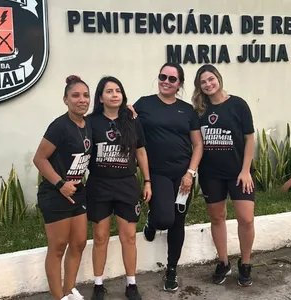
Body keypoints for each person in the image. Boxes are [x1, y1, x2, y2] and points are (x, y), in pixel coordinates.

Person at [133, 62, 203, 292]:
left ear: (179, 84)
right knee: (165, 219)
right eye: (163, 76)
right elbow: (124, 116)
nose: (166, 81)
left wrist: (190, 174)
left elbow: (198, 144)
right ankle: (153, 220)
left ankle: (171, 269)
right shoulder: (144, 104)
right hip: (157, 173)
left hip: (183, 175)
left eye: (172, 79)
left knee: (178, 222)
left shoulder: (187, 110)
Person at [85, 76, 152, 300]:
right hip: (99, 185)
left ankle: (131, 284)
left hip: (126, 185)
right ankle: (98, 284)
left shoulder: (132, 120)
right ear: (101, 98)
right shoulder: (91, 122)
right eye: (109, 91)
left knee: (129, 237)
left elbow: (141, 151)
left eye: (118, 91)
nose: (114, 95)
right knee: (100, 237)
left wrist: (148, 181)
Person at [191, 64, 256, 287]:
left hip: (239, 173)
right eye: (203, 82)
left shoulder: (238, 105)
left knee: (246, 219)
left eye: (211, 79)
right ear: (199, 86)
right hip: (211, 174)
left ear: (218, 78)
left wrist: (246, 170)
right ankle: (223, 261)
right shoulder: (199, 110)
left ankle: (245, 263)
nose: (208, 84)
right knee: (217, 217)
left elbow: (249, 138)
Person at [33, 75, 92, 300]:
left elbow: (113, 113)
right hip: (55, 194)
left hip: (78, 193)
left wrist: (128, 108)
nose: (82, 99)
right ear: (65, 99)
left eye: (85, 95)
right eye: (75, 95)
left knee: (78, 243)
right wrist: (60, 184)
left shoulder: (89, 125)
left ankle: (69, 291)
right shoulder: (59, 126)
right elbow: (39, 159)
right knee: (58, 247)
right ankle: (58, 297)